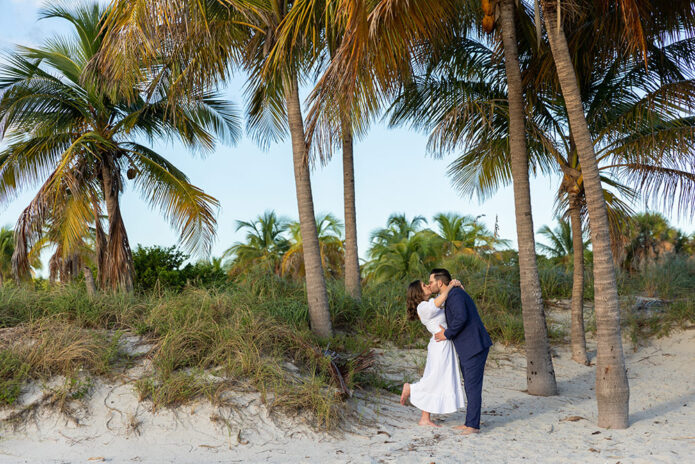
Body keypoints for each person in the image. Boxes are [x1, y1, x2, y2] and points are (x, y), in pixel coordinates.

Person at [430, 268, 493, 435]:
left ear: (440, 282)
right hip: (469, 346)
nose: (430, 285)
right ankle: (469, 423)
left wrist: (446, 334)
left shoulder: (455, 295)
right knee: (470, 387)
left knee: (473, 387)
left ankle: (473, 426)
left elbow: (461, 318)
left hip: (474, 346)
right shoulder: (453, 294)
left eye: (431, 282)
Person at [400, 278, 466, 426]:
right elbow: (441, 299)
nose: (428, 285)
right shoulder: (422, 307)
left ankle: (425, 418)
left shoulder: (429, 303)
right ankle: (411, 388)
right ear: (418, 292)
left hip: (442, 344)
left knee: (435, 379)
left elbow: (448, 302)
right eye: (424, 285)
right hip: (440, 346)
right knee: (433, 379)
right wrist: (450, 286)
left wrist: (457, 287)